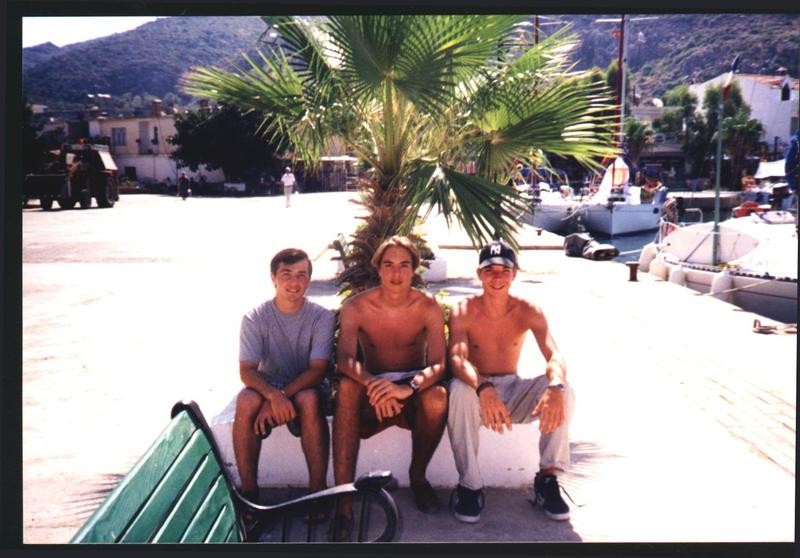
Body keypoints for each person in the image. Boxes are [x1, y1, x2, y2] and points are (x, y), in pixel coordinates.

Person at [447, 240, 575, 524]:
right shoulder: (463, 310)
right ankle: (469, 486)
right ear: (479, 274)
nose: (497, 277)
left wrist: (554, 386)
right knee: (458, 390)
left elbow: (554, 354)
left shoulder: (528, 309)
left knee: (565, 391)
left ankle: (547, 480)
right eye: (489, 270)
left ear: (514, 273)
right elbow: (457, 359)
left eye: (504, 270)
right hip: (477, 391)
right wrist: (483, 387)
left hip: (515, 391)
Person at [331, 236, 448, 541]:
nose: (396, 273)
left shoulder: (429, 307)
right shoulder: (356, 306)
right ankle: (343, 503)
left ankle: (418, 477)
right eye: (389, 265)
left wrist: (408, 388)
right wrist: (373, 383)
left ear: (414, 270)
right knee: (346, 388)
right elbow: (344, 359)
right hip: (373, 390)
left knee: (437, 397)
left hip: (411, 393)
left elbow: (438, 365)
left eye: (404, 265)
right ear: (378, 269)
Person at [234, 248, 336, 522]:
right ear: (273, 278)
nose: (294, 283)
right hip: (269, 386)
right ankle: (250, 494)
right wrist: (272, 396)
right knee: (245, 401)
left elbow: (317, 370)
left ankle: (318, 493)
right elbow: (247, 371)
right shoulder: (255, 317)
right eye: (286, 275)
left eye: (302, 275)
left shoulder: (321, 317)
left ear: (309, 279)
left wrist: (279, 397)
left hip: (306, 386)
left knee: (308, 399)